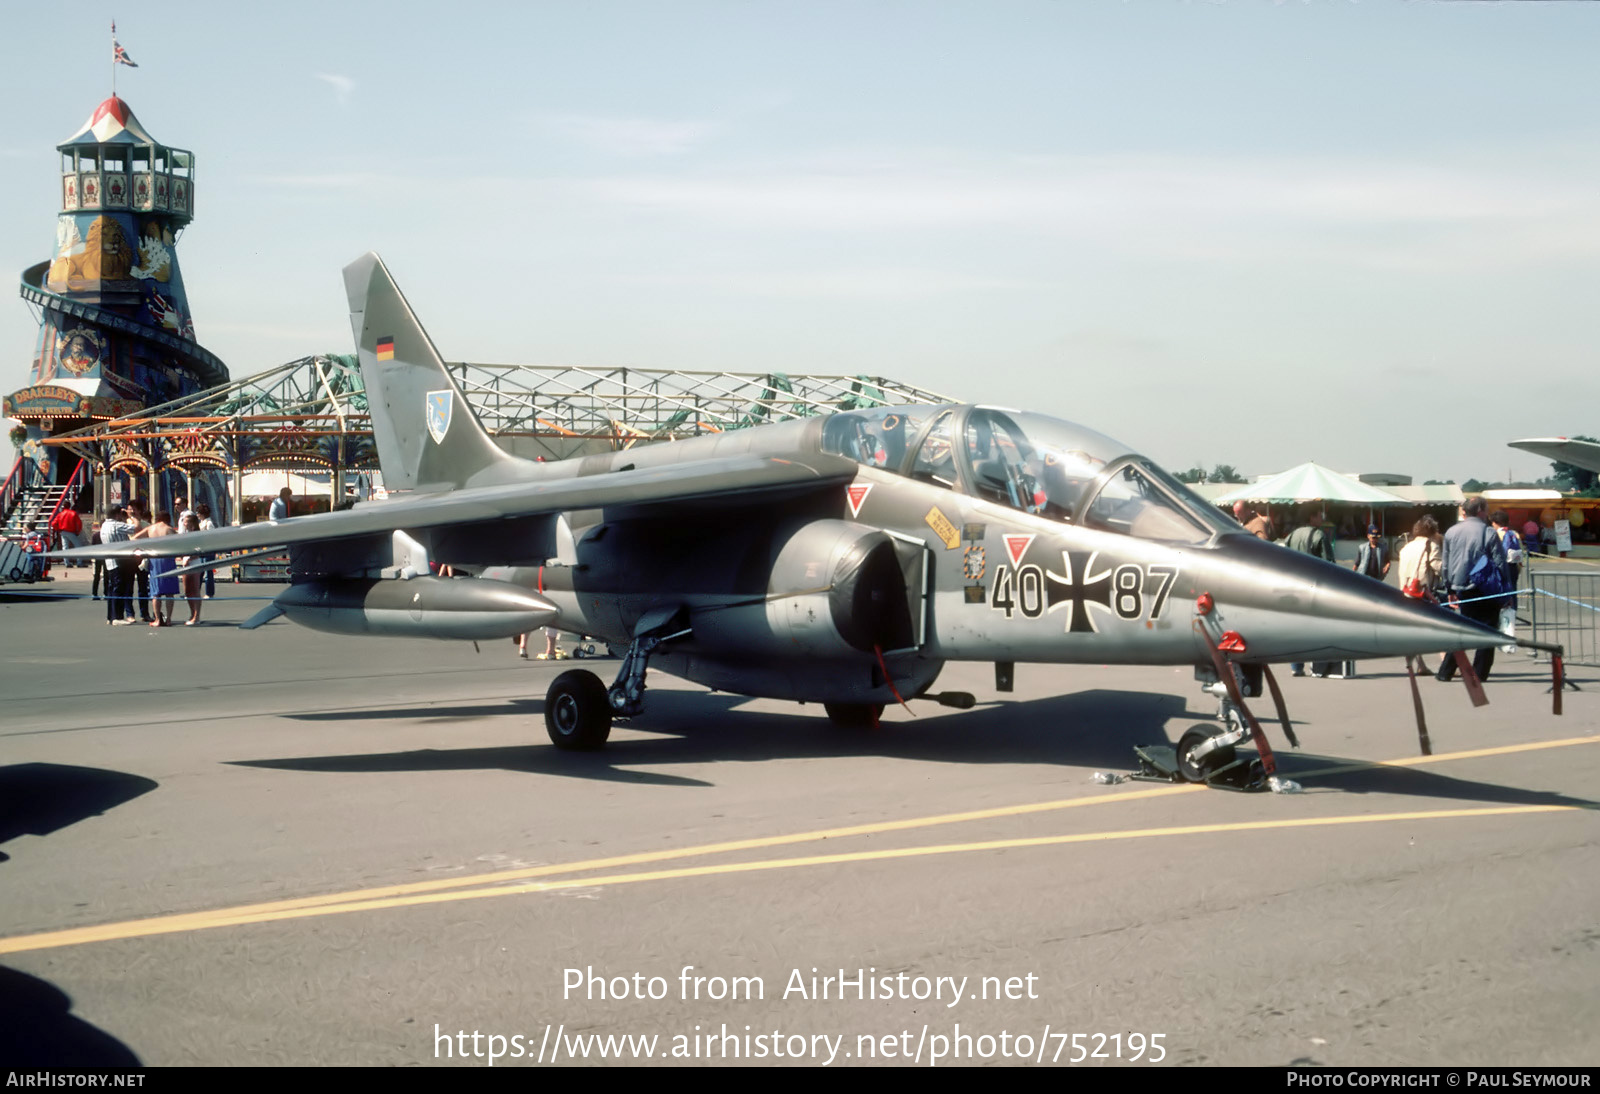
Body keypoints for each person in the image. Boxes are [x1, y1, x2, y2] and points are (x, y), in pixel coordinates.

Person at [1435, 497, 1507, 683]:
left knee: (1462, 631)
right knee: (1487, 630)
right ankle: (1479, 672)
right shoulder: (1488, 532)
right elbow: (1499, 563)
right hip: (1483, 587)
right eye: (1486, 509)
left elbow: (1446, 563)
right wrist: (1505, 590)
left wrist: (1449, 587)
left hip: (1460, 586)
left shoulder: (1451, 531)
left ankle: (1446, 671)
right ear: (1480, 510)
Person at [1286, 503, 1336, 677]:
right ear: (1311, 517)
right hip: (1313, 587)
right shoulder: (1319, 535)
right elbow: (1329, 564)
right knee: (1316, 628)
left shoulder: (1292, 535)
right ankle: (1318, 666)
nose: (1322, 518)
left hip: (1293, 587)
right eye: (1319, 515)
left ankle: (1296, 666)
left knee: (1295, 628)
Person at [132, 511, 179, 626]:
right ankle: (168, 619)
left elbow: (134, 538)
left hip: (154, 558)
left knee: (156, 593)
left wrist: (144, 549)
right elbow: (180, 542)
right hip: (167, 558)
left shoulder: (150, 529)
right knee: (169, 593)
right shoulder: (169, 529)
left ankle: (157, 619)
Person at [100, 507, 136, 625]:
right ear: (116, 515)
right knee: (119, 589)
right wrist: (132, 516)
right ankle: (117, 617)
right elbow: (135, 528)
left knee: (112, 589)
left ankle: (110, 616)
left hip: (109, 561)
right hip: (120, 561)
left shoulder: (104, 525)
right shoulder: (116, 525)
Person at [1396, 515, 1442, 599]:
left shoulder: (1406, 547)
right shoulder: (1431, 546)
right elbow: (1440, 568)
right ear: (1432, 531)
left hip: (1405, 592)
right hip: (1422, 593)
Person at [125, 501, 152, 622]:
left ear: (140, 510)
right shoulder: (126, 523)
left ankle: (144, 613)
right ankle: (129, 613)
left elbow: (142, 534)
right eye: (129, 509)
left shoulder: (146, 524)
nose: (131, 511)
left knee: (143, 588)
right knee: (128, 587)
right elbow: (136, 531)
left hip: (142, 558)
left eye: (134, 509)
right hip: (129, 558)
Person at [175, 512, 203, 624]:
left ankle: (197, 616)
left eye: (186, 521)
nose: (183, 523)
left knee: (195, 590)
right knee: (187, 591)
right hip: (185, 563)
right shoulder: (185, 534)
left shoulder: (197, 534)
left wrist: (190, 558)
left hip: (195, 563)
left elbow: (200, 551)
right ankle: (192, 613)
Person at [195, 503, 216, 598]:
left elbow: (211, 537)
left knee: (208, 572)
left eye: (198, 513)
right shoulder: (201, 523)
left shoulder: (209, 523)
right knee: (199, 572)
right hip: (202, 550)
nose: (197, 515)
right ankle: (196, 591)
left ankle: (209, 593)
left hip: (208, 550)